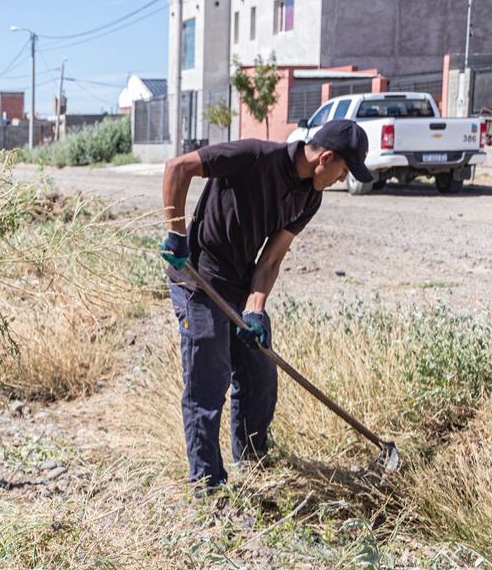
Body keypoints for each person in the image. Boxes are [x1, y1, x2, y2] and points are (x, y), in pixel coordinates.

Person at [158, 119, 372, 493]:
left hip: (240, 285)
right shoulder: (255, 155)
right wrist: (176, 234)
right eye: (343, 171)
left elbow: (271, 258)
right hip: (199, 278)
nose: (341, 179)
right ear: (325, 158)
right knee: (209, 380)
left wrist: (254, 309)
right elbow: (178, 167)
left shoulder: (310, 197)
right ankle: (208, 485)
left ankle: (253, 465)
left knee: (260, 374)